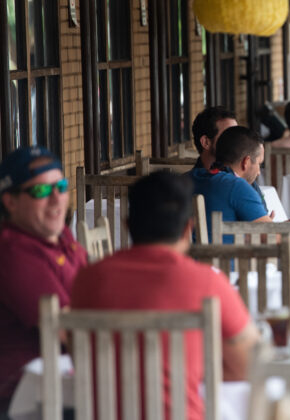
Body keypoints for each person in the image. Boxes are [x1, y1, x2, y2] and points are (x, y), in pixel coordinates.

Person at [72, 171, 258, 420]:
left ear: (128, 225)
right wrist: (186, 370)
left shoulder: (87, 279)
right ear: (187, 229)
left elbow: (80, 355)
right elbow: (250, 364)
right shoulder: (208, 282)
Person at [0, 147, 88, 416]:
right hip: (26, 401)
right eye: (40, 191)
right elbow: (71, 331)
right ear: (10, 202)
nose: (56, 199)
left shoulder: (61, 236)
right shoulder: (12, 252)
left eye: (60, 187)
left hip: (67, 383)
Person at [191, 126, 272, 243]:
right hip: (223, 260)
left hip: (186, 258)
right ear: (246, 162)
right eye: (259, 163)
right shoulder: (237, 187)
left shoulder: (190, 177)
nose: (259, 172)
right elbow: (273, 236)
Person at [191, 106, 238, 171]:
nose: (237, 141)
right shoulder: (187, 180)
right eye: (229, 135)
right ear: (206, 142)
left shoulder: (241, 174)